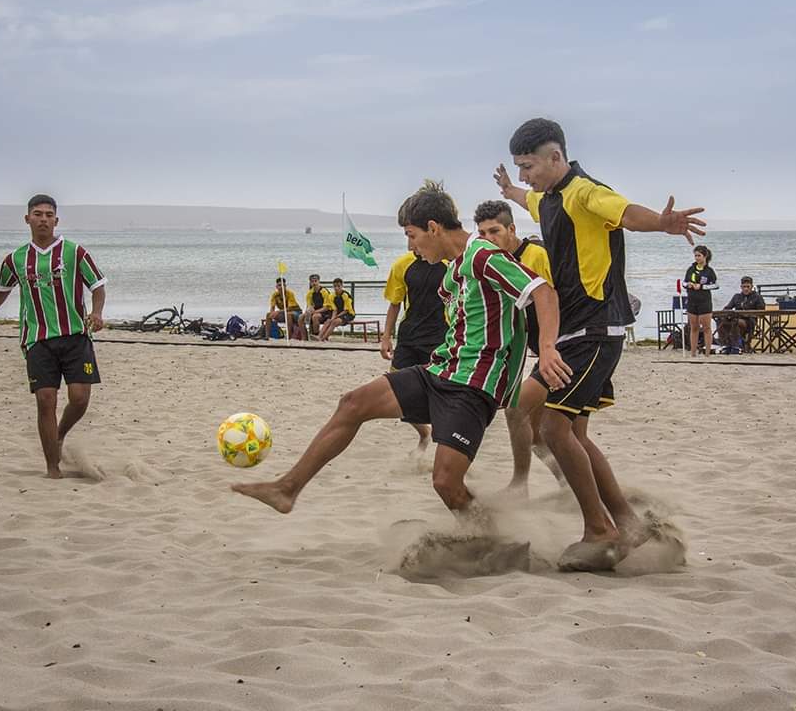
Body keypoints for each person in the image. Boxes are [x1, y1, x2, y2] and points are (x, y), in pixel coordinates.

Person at [231, 180, 570, 527]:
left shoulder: (483, 255)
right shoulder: (453, 271)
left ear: (433, 228)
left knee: (445, 483)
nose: (411, 246)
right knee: (353, 403)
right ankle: (287, 489)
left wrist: (545, 351)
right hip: (441, 371)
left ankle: (491, 537)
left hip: (473, 387)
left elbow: (542, 292)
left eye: (412, 235)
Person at [494, 117, 705, 570]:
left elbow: (626, 212)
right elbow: (528, 199)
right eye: (520, 167)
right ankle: (627, 523)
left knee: (552, 427)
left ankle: (600, 529)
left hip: (595, 328)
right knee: (566, 432)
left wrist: (663, 223)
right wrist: (511, 189)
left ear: (556, 157)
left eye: (528, 165)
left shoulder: (585, 191)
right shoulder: (549, 196)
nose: (526, 174)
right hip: (575, 330)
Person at [0, 194, 105, 479]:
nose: (43, 219)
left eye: (48, 214)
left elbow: (98, 286)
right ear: (27, 219)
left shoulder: (74, 252)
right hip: (37, 340)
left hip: (76, 336)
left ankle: (60, 434)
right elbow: (1, 291)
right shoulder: (16, 259)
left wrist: (97, 312)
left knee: (79, 399)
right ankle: (52, 468)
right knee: (45, 400)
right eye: (37, 214)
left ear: (56, 220)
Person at [473, 199, 565, 491]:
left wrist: (550, 346)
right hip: (541, 352)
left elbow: (553, 299)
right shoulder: (494, 264)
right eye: (482, 234)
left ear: (512, 229)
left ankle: (519, 484)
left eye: (494, 231)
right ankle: (567, 484)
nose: (488, 239)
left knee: (516, 410)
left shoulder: (535, 255)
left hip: (561, 348)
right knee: (537, 435)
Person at [380, 236, 449, 451]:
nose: (410, 244)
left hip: (440, 336)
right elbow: (395, 304)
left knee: (441, 394)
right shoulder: (402, 265)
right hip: (409, 336)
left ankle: (443, 443)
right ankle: (424, 433)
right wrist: (386, 337)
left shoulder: (449, 264)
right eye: (407, 238)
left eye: (413, 237)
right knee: (397, 390)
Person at [684, 246, 718, 357]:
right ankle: (693, 353)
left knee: (707, 328)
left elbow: (716, 285)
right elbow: (683, 283)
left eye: (699, 255)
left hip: (704, 301)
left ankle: (707, 353)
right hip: (692, 300)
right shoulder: (691, 269)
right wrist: (688, 285)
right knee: (693, 327)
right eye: (695, 256)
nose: (697, 258)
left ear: (705, 256)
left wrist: (702, 287)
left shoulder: (709, 271)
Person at [719, 276, 765, 352]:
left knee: (735, 322)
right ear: (741, 287)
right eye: (744, 287)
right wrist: (725, 313)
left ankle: (737, 346)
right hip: (735, 319)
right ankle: (725, 345)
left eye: (748, 286)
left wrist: (748, 314)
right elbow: (727, 307)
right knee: (721, 321)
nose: (746, 289)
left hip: (750, 321)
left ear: (752, 286)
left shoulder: (757, 297)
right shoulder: (737, 297)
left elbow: (761, 312)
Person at [298, 274, 333, 340]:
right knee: (300, 317)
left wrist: (314, 312)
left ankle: (316, 335)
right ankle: (304, 337)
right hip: (315, 311)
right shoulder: (310, 293)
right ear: (310, 283)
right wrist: (307, 312)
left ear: (319, 281)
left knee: (315, 316)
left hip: (326, 312)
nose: (314, 283)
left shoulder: (324, 292)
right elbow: (309, 306)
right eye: (312, 281)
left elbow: (327, 307)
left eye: (315, 281)